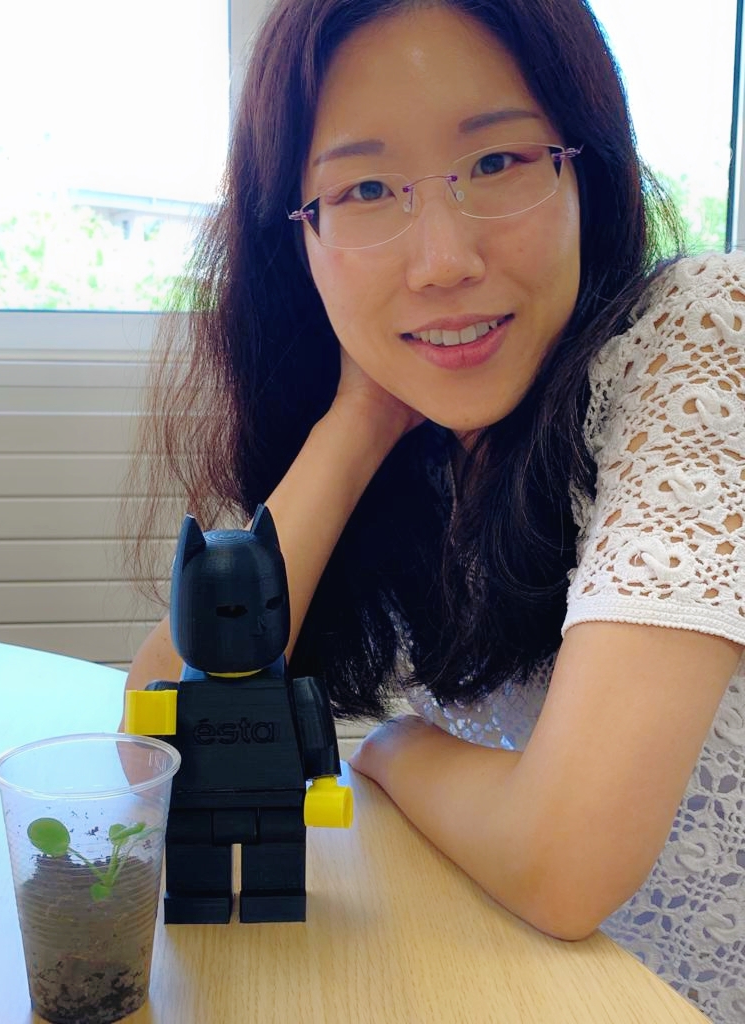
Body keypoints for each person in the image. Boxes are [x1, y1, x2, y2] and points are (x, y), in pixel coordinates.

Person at [124, 1, 745, 1020]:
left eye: (497, 161)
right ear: (299, 237)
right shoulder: (422, 452)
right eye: (365, 189)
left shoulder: (699, 335)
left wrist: (393, 745)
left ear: (584, 172)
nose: (444, 258)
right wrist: (358, 422)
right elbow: (157, 747)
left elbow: (565, 858)